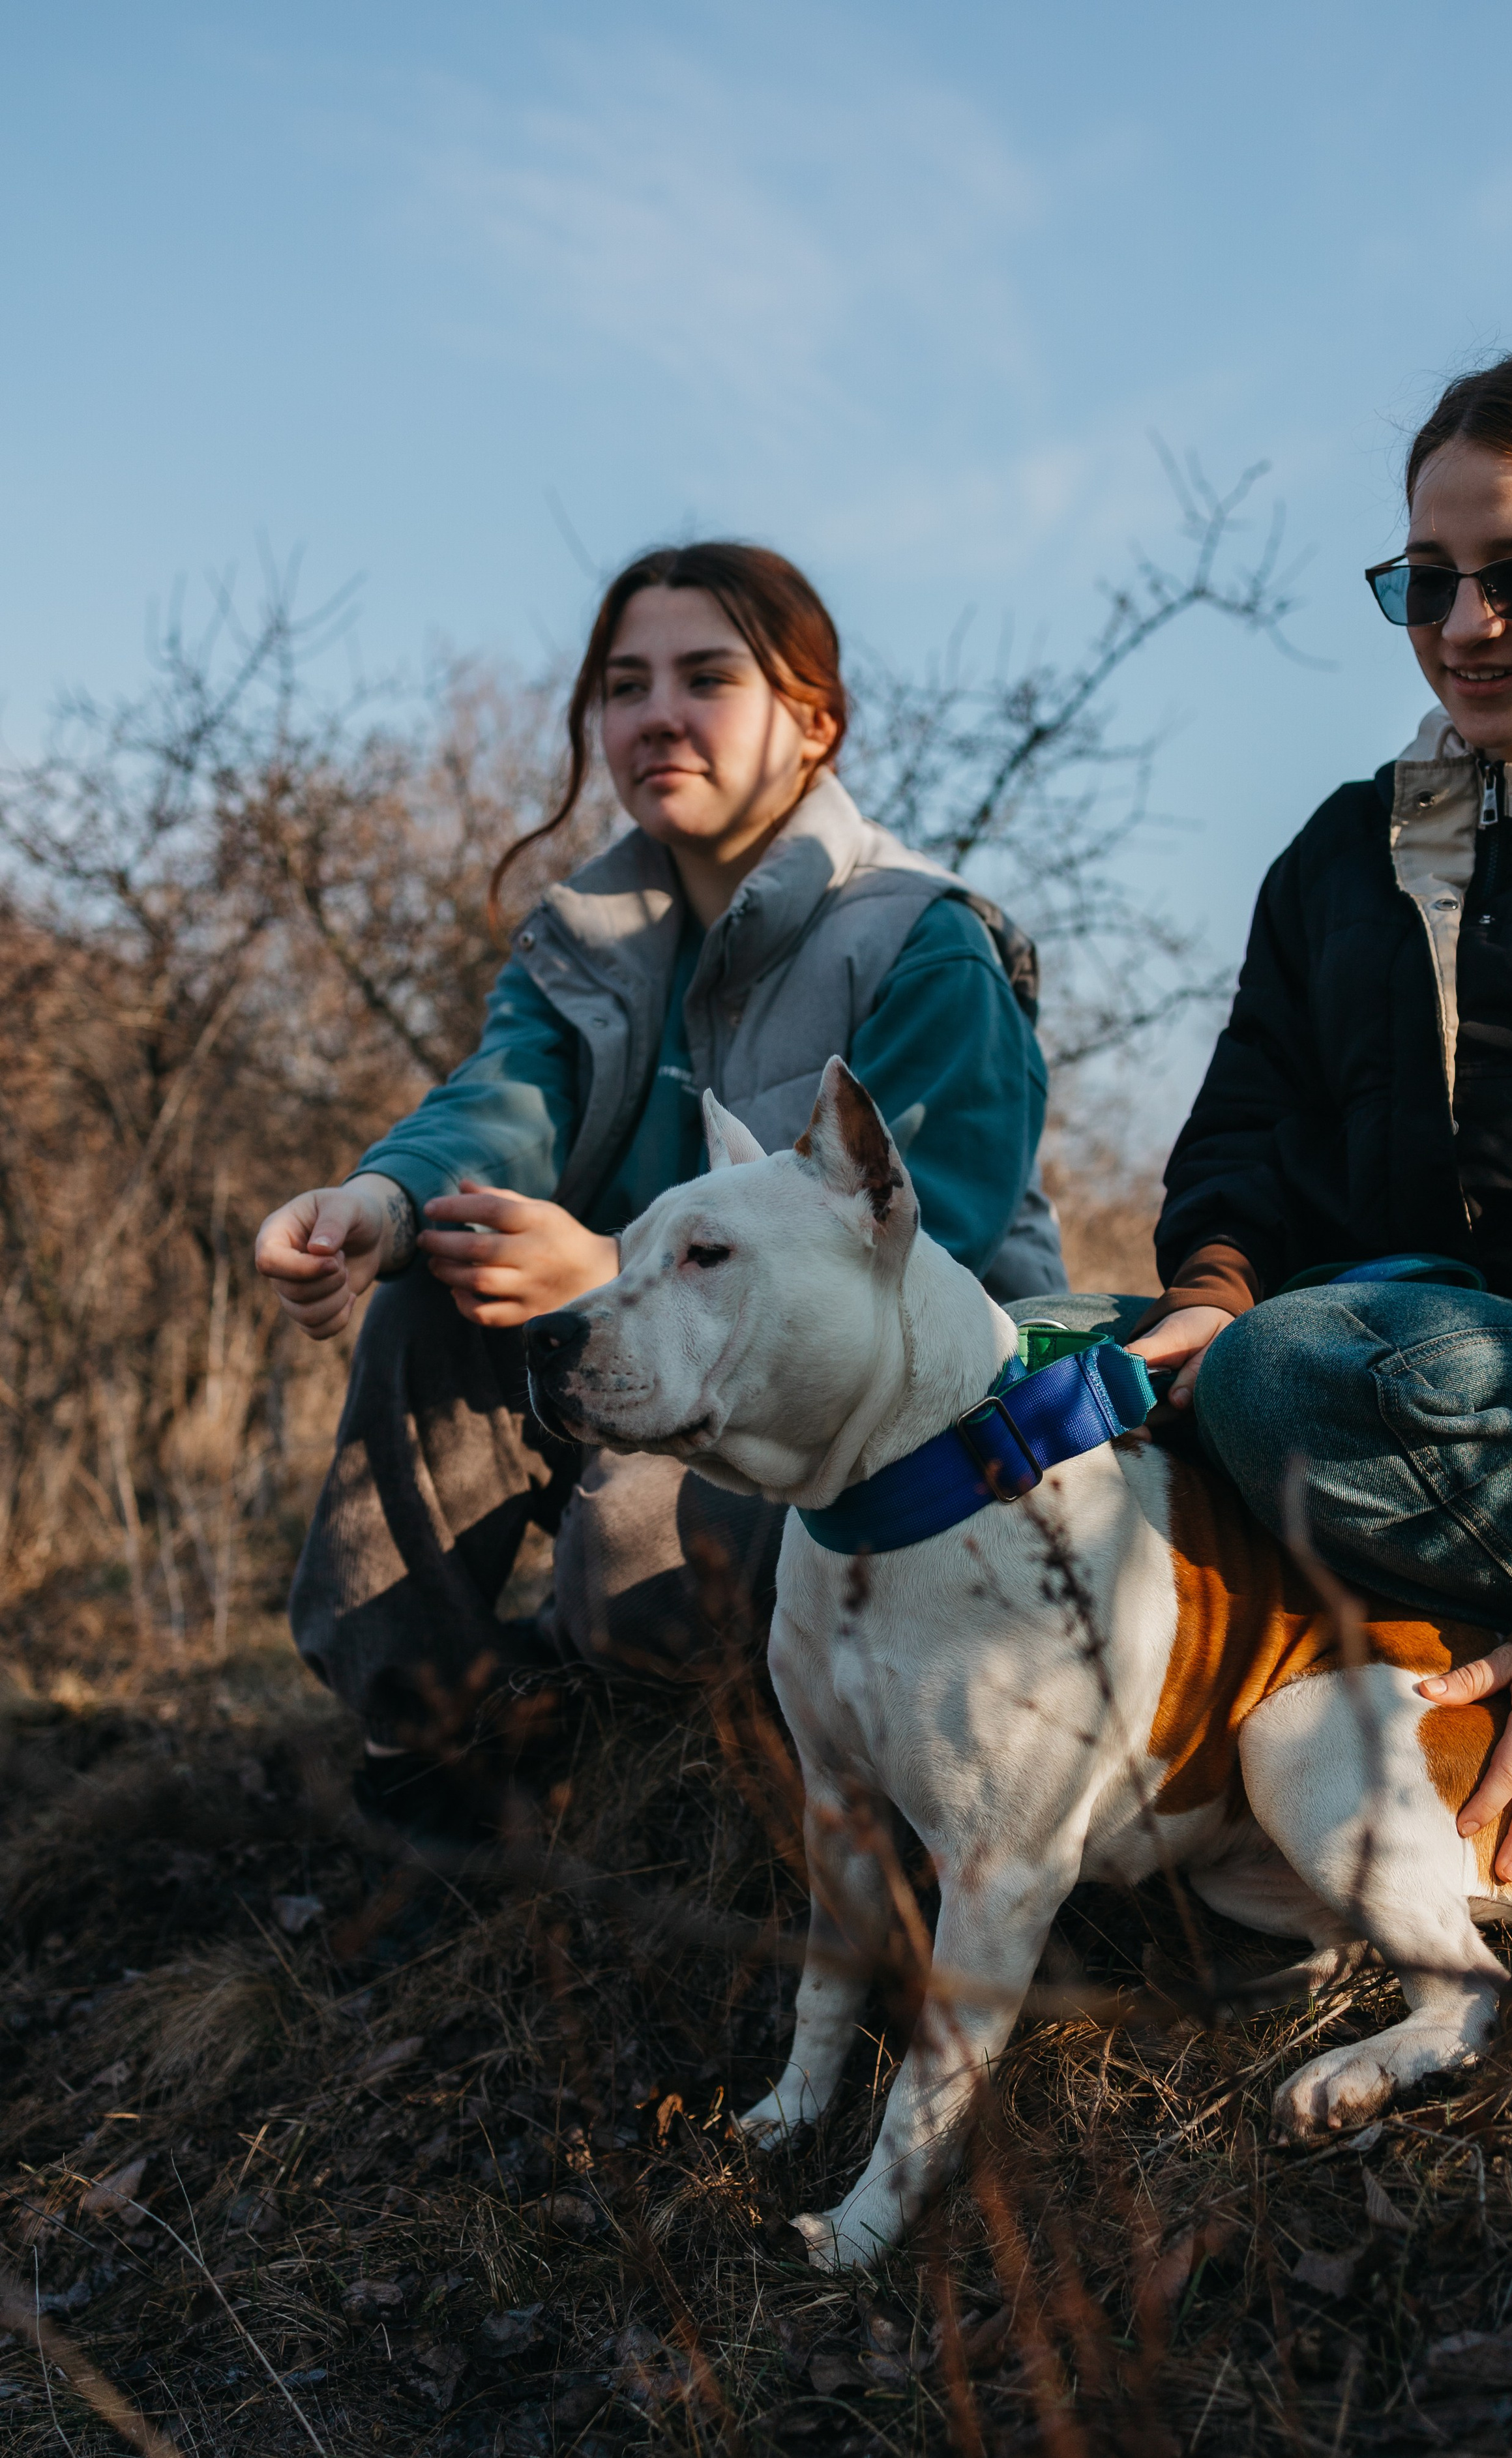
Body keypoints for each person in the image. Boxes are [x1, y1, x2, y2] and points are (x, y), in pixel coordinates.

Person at [254, 540, 1065, 1835]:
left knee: (636, 1553)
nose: (656, 716)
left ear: (812, 721)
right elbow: (504, 1102)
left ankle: (672, 1752)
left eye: (707, 677)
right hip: (657, 1358)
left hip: (894, 1439)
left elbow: (926, 1261)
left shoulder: (927, 939)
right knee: (422, 1311)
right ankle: (446, 1753)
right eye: (624, 686)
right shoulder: (582, 942)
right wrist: (383, 1208)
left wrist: (611, 1280)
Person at [1127, 342, 1512, 1892]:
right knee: (1038, 1346)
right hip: (1385, 1354)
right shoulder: (1336, 852)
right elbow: (1244, 1129)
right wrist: (1200, 1295)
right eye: (1423, 582)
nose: (1463, 628)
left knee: (1291, 1381)